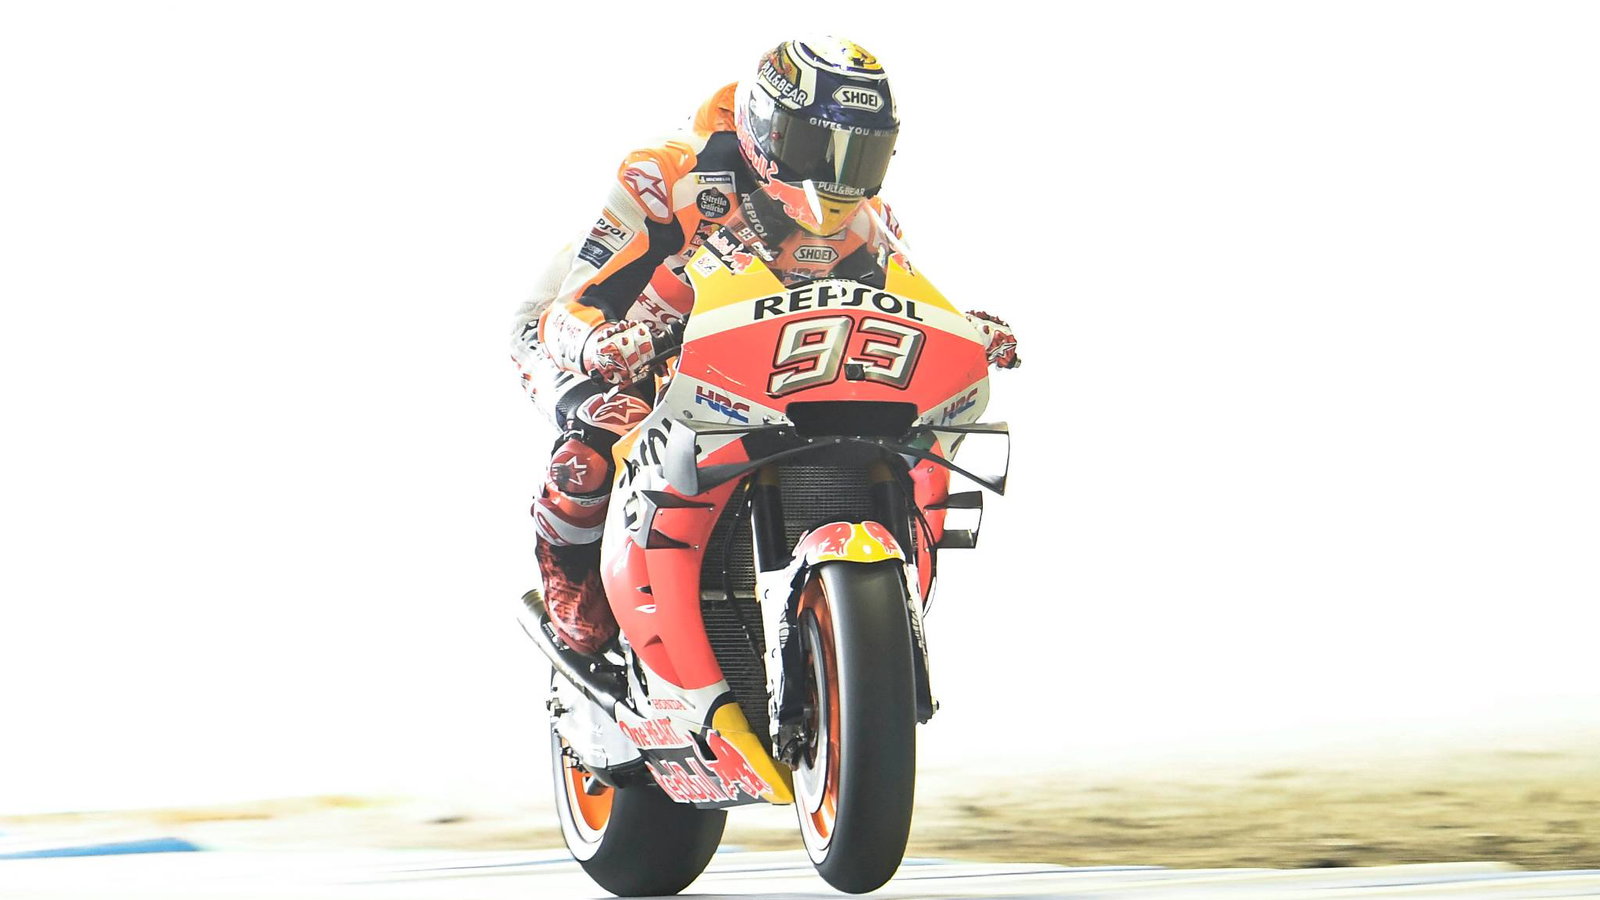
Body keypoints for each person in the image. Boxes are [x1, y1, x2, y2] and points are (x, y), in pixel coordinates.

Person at [511, 37, 1020, 655]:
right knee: (595, 447)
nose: (836, 176)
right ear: (765, 124)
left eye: (859, 155)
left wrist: (961, 331)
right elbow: (571, 305)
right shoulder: (667, 174)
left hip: (734, 357)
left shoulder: (868, 215)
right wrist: (596, 341)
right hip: (606, 337)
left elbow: (897, 301)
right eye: (817, 146)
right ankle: (579, 613)